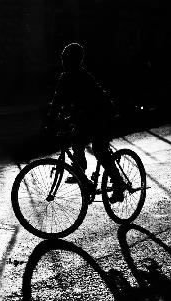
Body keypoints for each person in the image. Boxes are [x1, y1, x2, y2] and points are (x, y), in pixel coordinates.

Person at [47, 42, 127, 203]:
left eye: (68, 59)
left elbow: (91, 105)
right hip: (85, 118)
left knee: (99, 149)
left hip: (102, 116)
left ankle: (119, 183)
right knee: (76, 144)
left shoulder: (84, 77)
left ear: (76, 61)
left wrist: (72, 118)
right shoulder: (64, 78)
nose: (64, 62)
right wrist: (51, 121)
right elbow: (57, 102)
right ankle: (81, 175)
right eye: (63, 59)